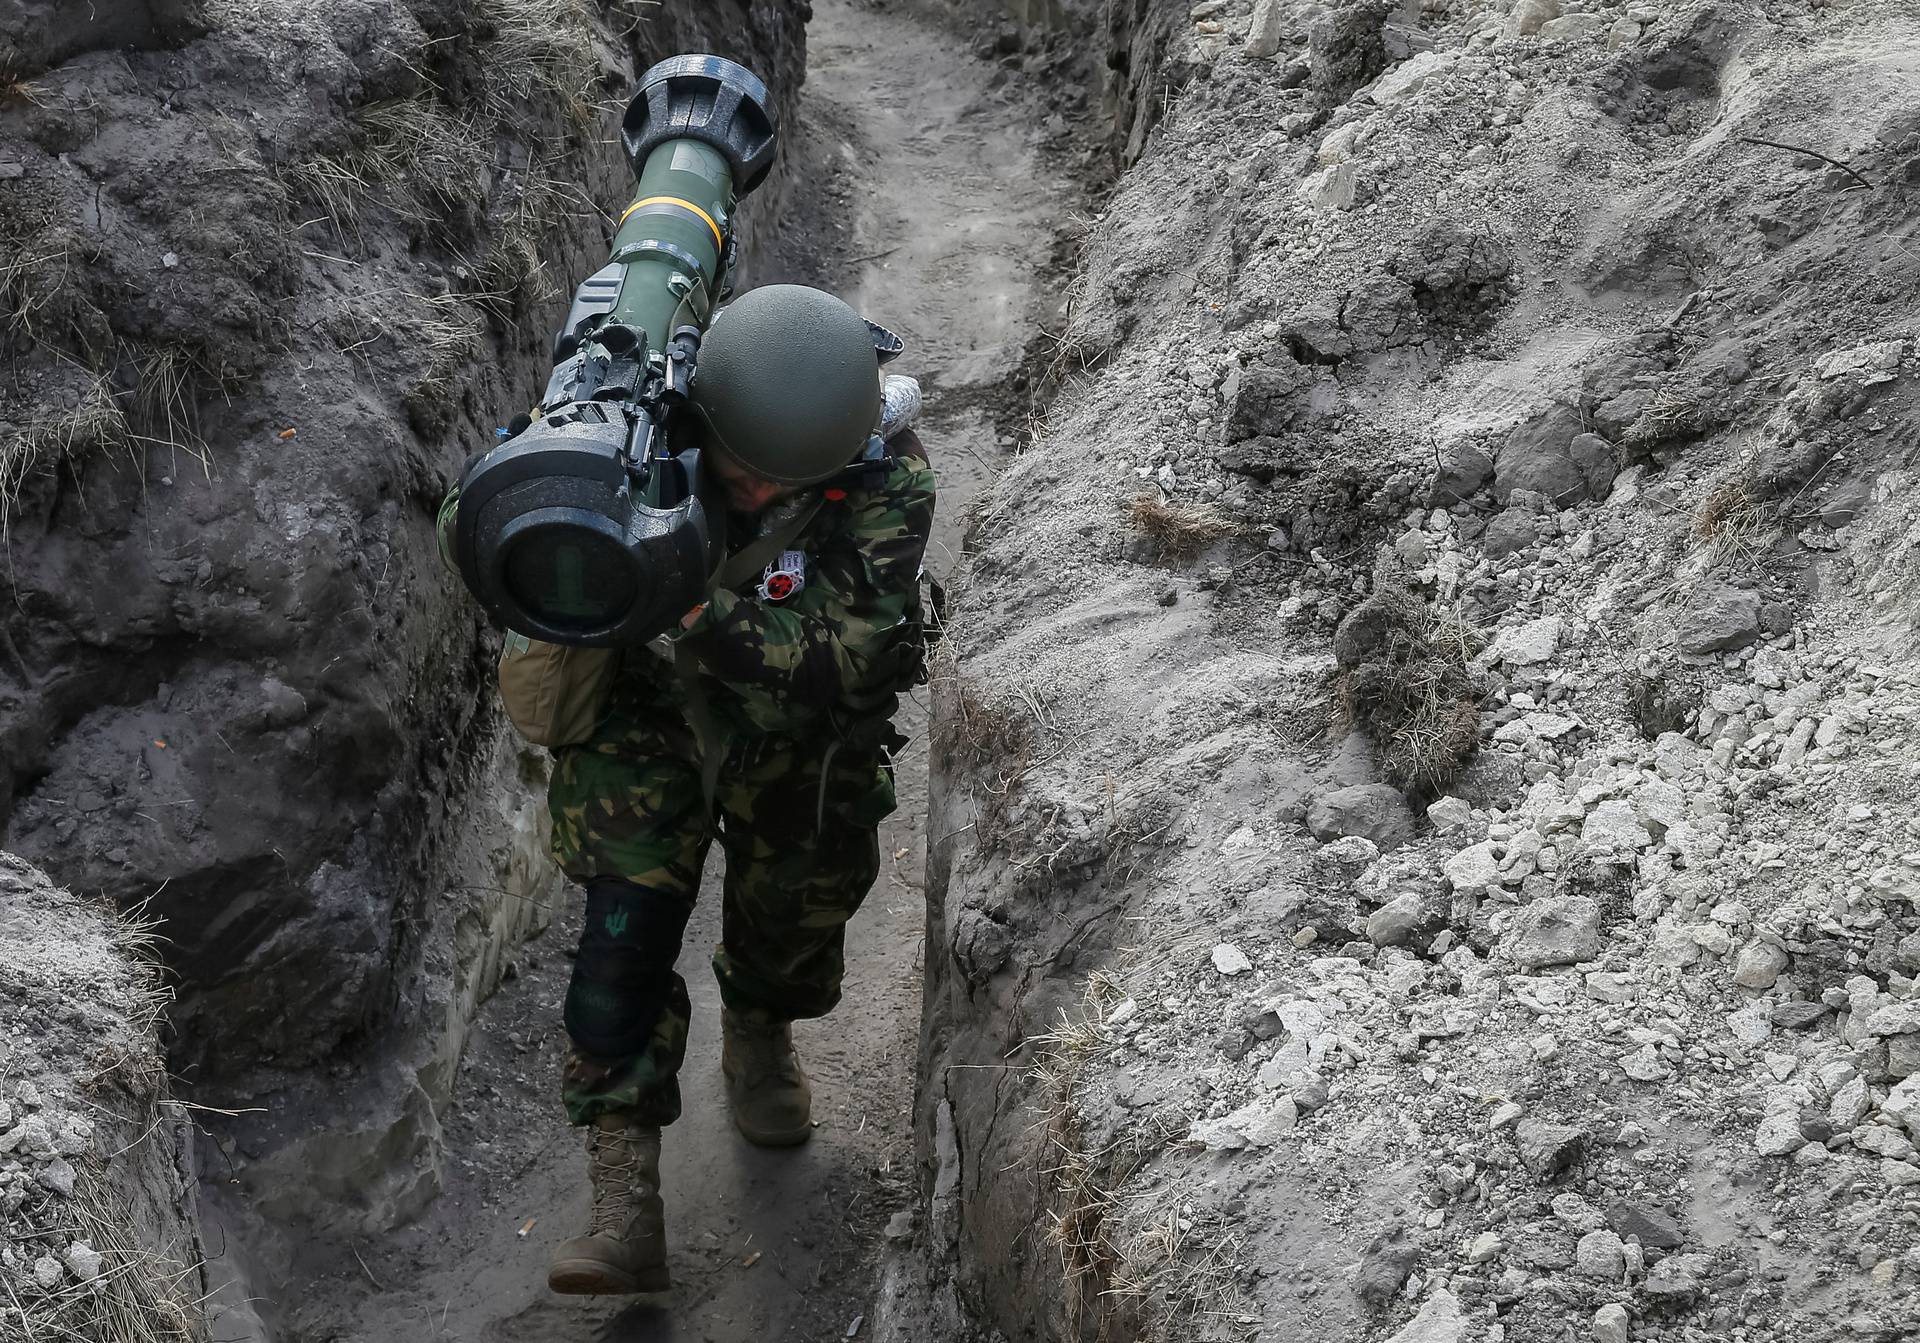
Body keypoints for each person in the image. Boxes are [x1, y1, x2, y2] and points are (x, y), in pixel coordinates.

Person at [541, 284, 936, 1296]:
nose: (753, 494)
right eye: (739, 470)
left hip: (799, 737)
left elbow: (848, 656)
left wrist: (687, 603)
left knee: (795, 919)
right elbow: (487, 514)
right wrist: (554, 482)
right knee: (617, 949)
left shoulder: (888, 478)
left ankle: (760, 1029)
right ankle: (625, 1201)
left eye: (780, 482)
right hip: (647, 717)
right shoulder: (639, 418)